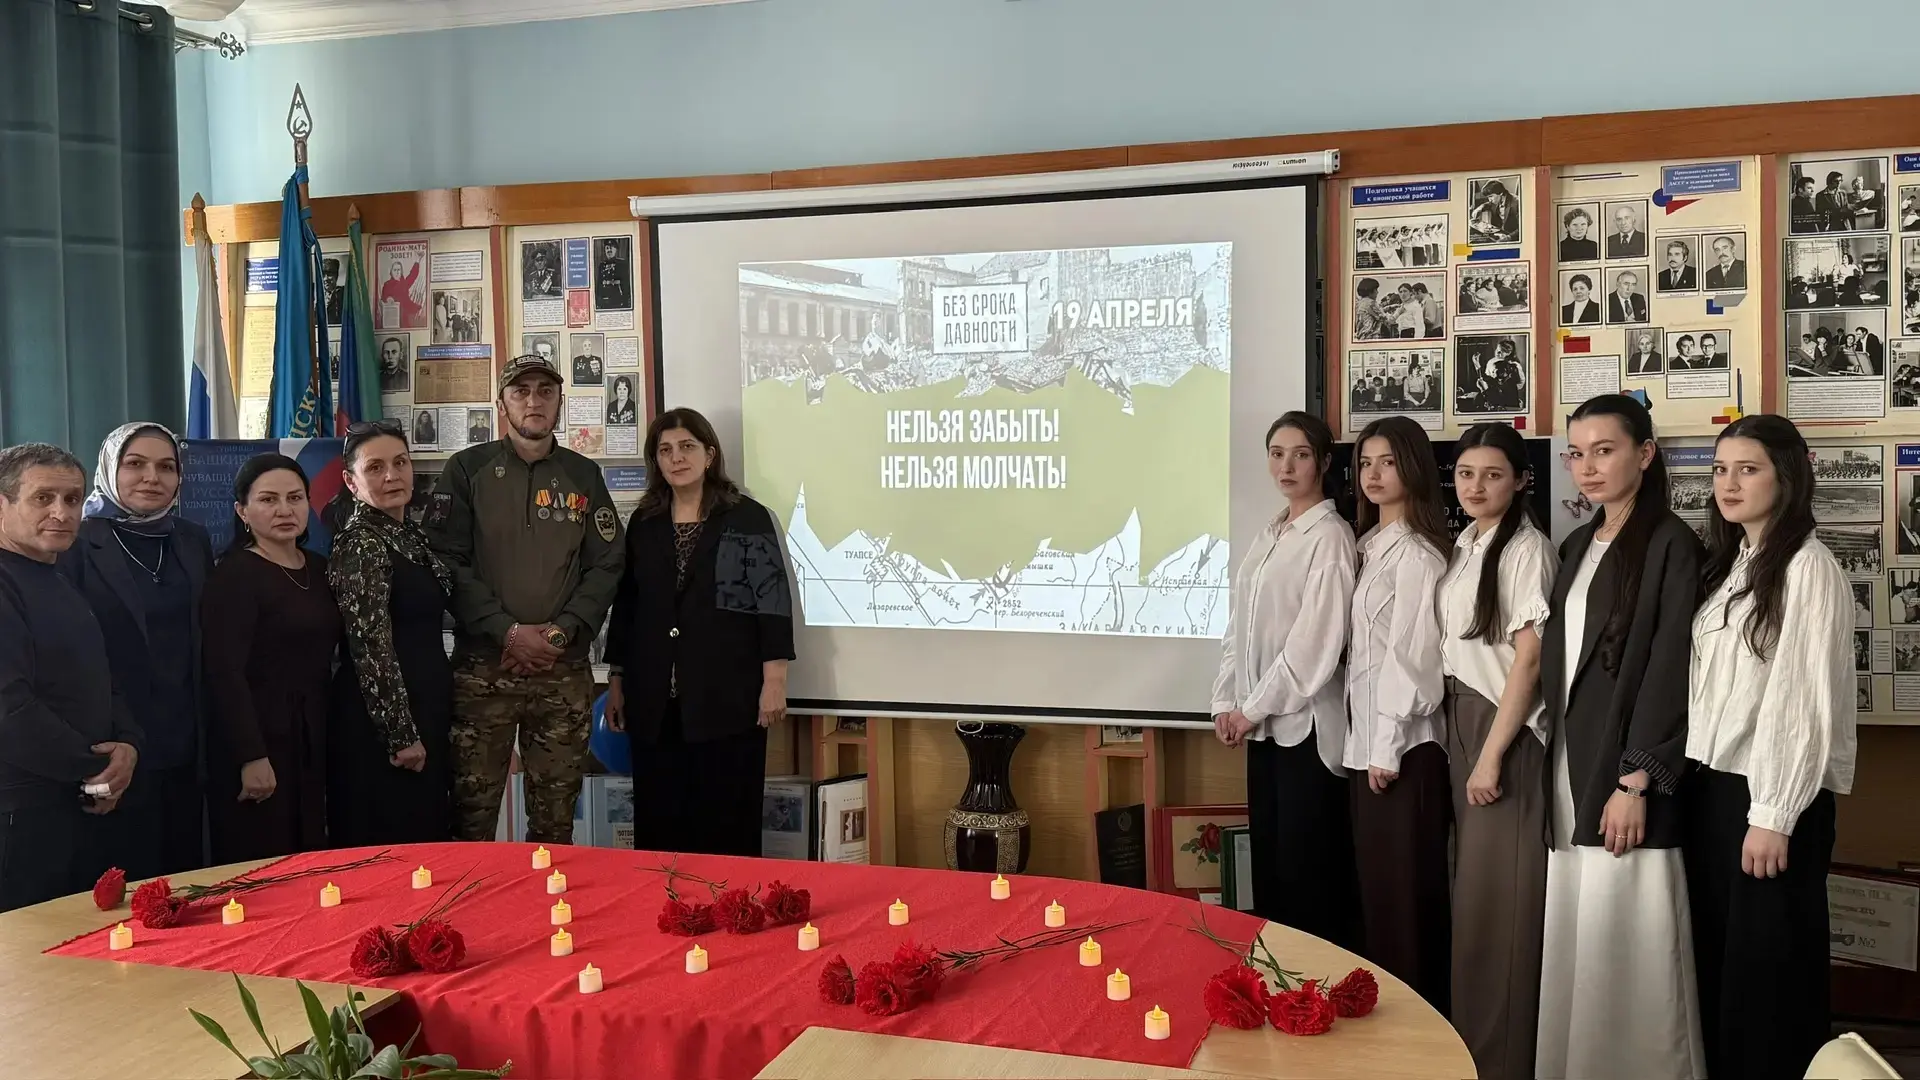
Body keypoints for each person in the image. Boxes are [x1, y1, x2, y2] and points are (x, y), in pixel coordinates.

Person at [1536, 394, 1706, 1080]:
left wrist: (1636, 779)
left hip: (1626, 774)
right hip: (1571, 763)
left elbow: (1671, 667)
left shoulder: (1671, 543)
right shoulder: (1577, 545)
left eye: (1604, 451)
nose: (1588, 467)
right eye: (1577, 454)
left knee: (1630, 932)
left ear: (1645, 453)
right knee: (1580, 929)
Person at [1686, 415, 1856, 1080]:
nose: (1728, 483)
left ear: (1786, 477)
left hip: (1769, 796)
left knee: (1770, 979)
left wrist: (1774, 815)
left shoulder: (1807, 567)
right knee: (1727, 971)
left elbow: (1803, 700)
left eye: (1747, 469)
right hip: (1718, 788)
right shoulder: (1736, 564)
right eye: (1720, 469)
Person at [425, 353, 624, 844]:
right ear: (502, 404)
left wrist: (558, 634)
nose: (534, 401)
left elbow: (607, 563)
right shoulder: (466, 469)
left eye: (545, 391)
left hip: (562, 671)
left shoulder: (583, 475)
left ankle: (546, 897)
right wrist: (507, 632)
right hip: (483, 669)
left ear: (559, 402)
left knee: (555, 826)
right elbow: (446, 560)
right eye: (521, 392)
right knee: (469, 820)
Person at [605, 408, 795, 856]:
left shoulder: (746, 517)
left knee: (726, 827)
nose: (677, 457)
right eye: (665, 450)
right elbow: (628, 605)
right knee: (660, 825)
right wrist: (616, 679)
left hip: (727, 701)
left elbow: (770, 599)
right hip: (654, 703)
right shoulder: (644, 522)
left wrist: (775, 680)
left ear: (709, 455)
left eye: (687, 446)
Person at [1212, 412, 1361, 950]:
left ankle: (1315, 988)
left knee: (1308, 879)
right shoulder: (1270, 533)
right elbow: (1240, 628)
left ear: (1323, 461)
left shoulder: (1330, 537)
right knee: (1271, 873)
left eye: (1300, 454)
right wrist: (1225, 701)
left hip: (1306, 733)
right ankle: (1276, 985)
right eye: (1277, 454)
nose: (1286, 466)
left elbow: (1313, 646)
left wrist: (1250, 708)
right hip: (1262, 730)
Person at [1440, 423, 1556, 1080]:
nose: (1476, 487)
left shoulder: (1527, 549)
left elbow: (1530, 661)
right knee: (1473, 904)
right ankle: (1470, 1055)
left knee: (1501, 910)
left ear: (1520, 480)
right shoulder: (1467, 543)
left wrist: (1490, 756)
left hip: (1501, 732)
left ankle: (1500, 1063)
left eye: (1492, 474)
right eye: (1466, 474)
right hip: (1462, 719)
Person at [58, 423, 213, 879]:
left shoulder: (192, 539)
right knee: (119, 884)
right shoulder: (76, 542)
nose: (152, 477)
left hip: (186, 738)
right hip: (113, 742)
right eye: (135, 464)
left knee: (185, 881)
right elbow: (68, 657)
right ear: (110, 468)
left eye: (166, 467)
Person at [0, 444, 140, 911]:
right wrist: (93, 766)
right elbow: (9, 710)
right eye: (43, 498)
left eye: (73, 499)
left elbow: (100, 677)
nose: (62, 513)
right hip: (20, 812)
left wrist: (127, 746)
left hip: (77, 801)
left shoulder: (58, 578)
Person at [1346, 416, 1452, 1012]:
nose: (1374, 474)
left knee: (1408, 907)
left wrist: (1385, 747)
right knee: (1380, 902)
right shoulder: (1367, 548)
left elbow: (1411, 660)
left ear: (1412, 467)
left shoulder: (1417, 554)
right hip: (1367, 748)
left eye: (1387, 462)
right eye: (1366, 463)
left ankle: (1421, 1034)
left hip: (1404, 752)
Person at [201, 455, 339, 863]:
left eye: (295, 498)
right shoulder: (233, 575)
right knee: (264, 863)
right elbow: (223, 672)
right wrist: (251, 755)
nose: (284, 510)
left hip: (312, 734)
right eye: (268, 499)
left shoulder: (319, 567)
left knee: (312, 860)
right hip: (259, 738)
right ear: (242, 511)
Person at [327, 422, 455, 846]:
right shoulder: (360, 543)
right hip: (384, 726)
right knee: (392, 850)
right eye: (375, 467)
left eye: (400, 463)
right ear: (351, 481)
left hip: (425, 708)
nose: (391, 476)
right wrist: (400, 734)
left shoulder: (407, 534)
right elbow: (370, 647)